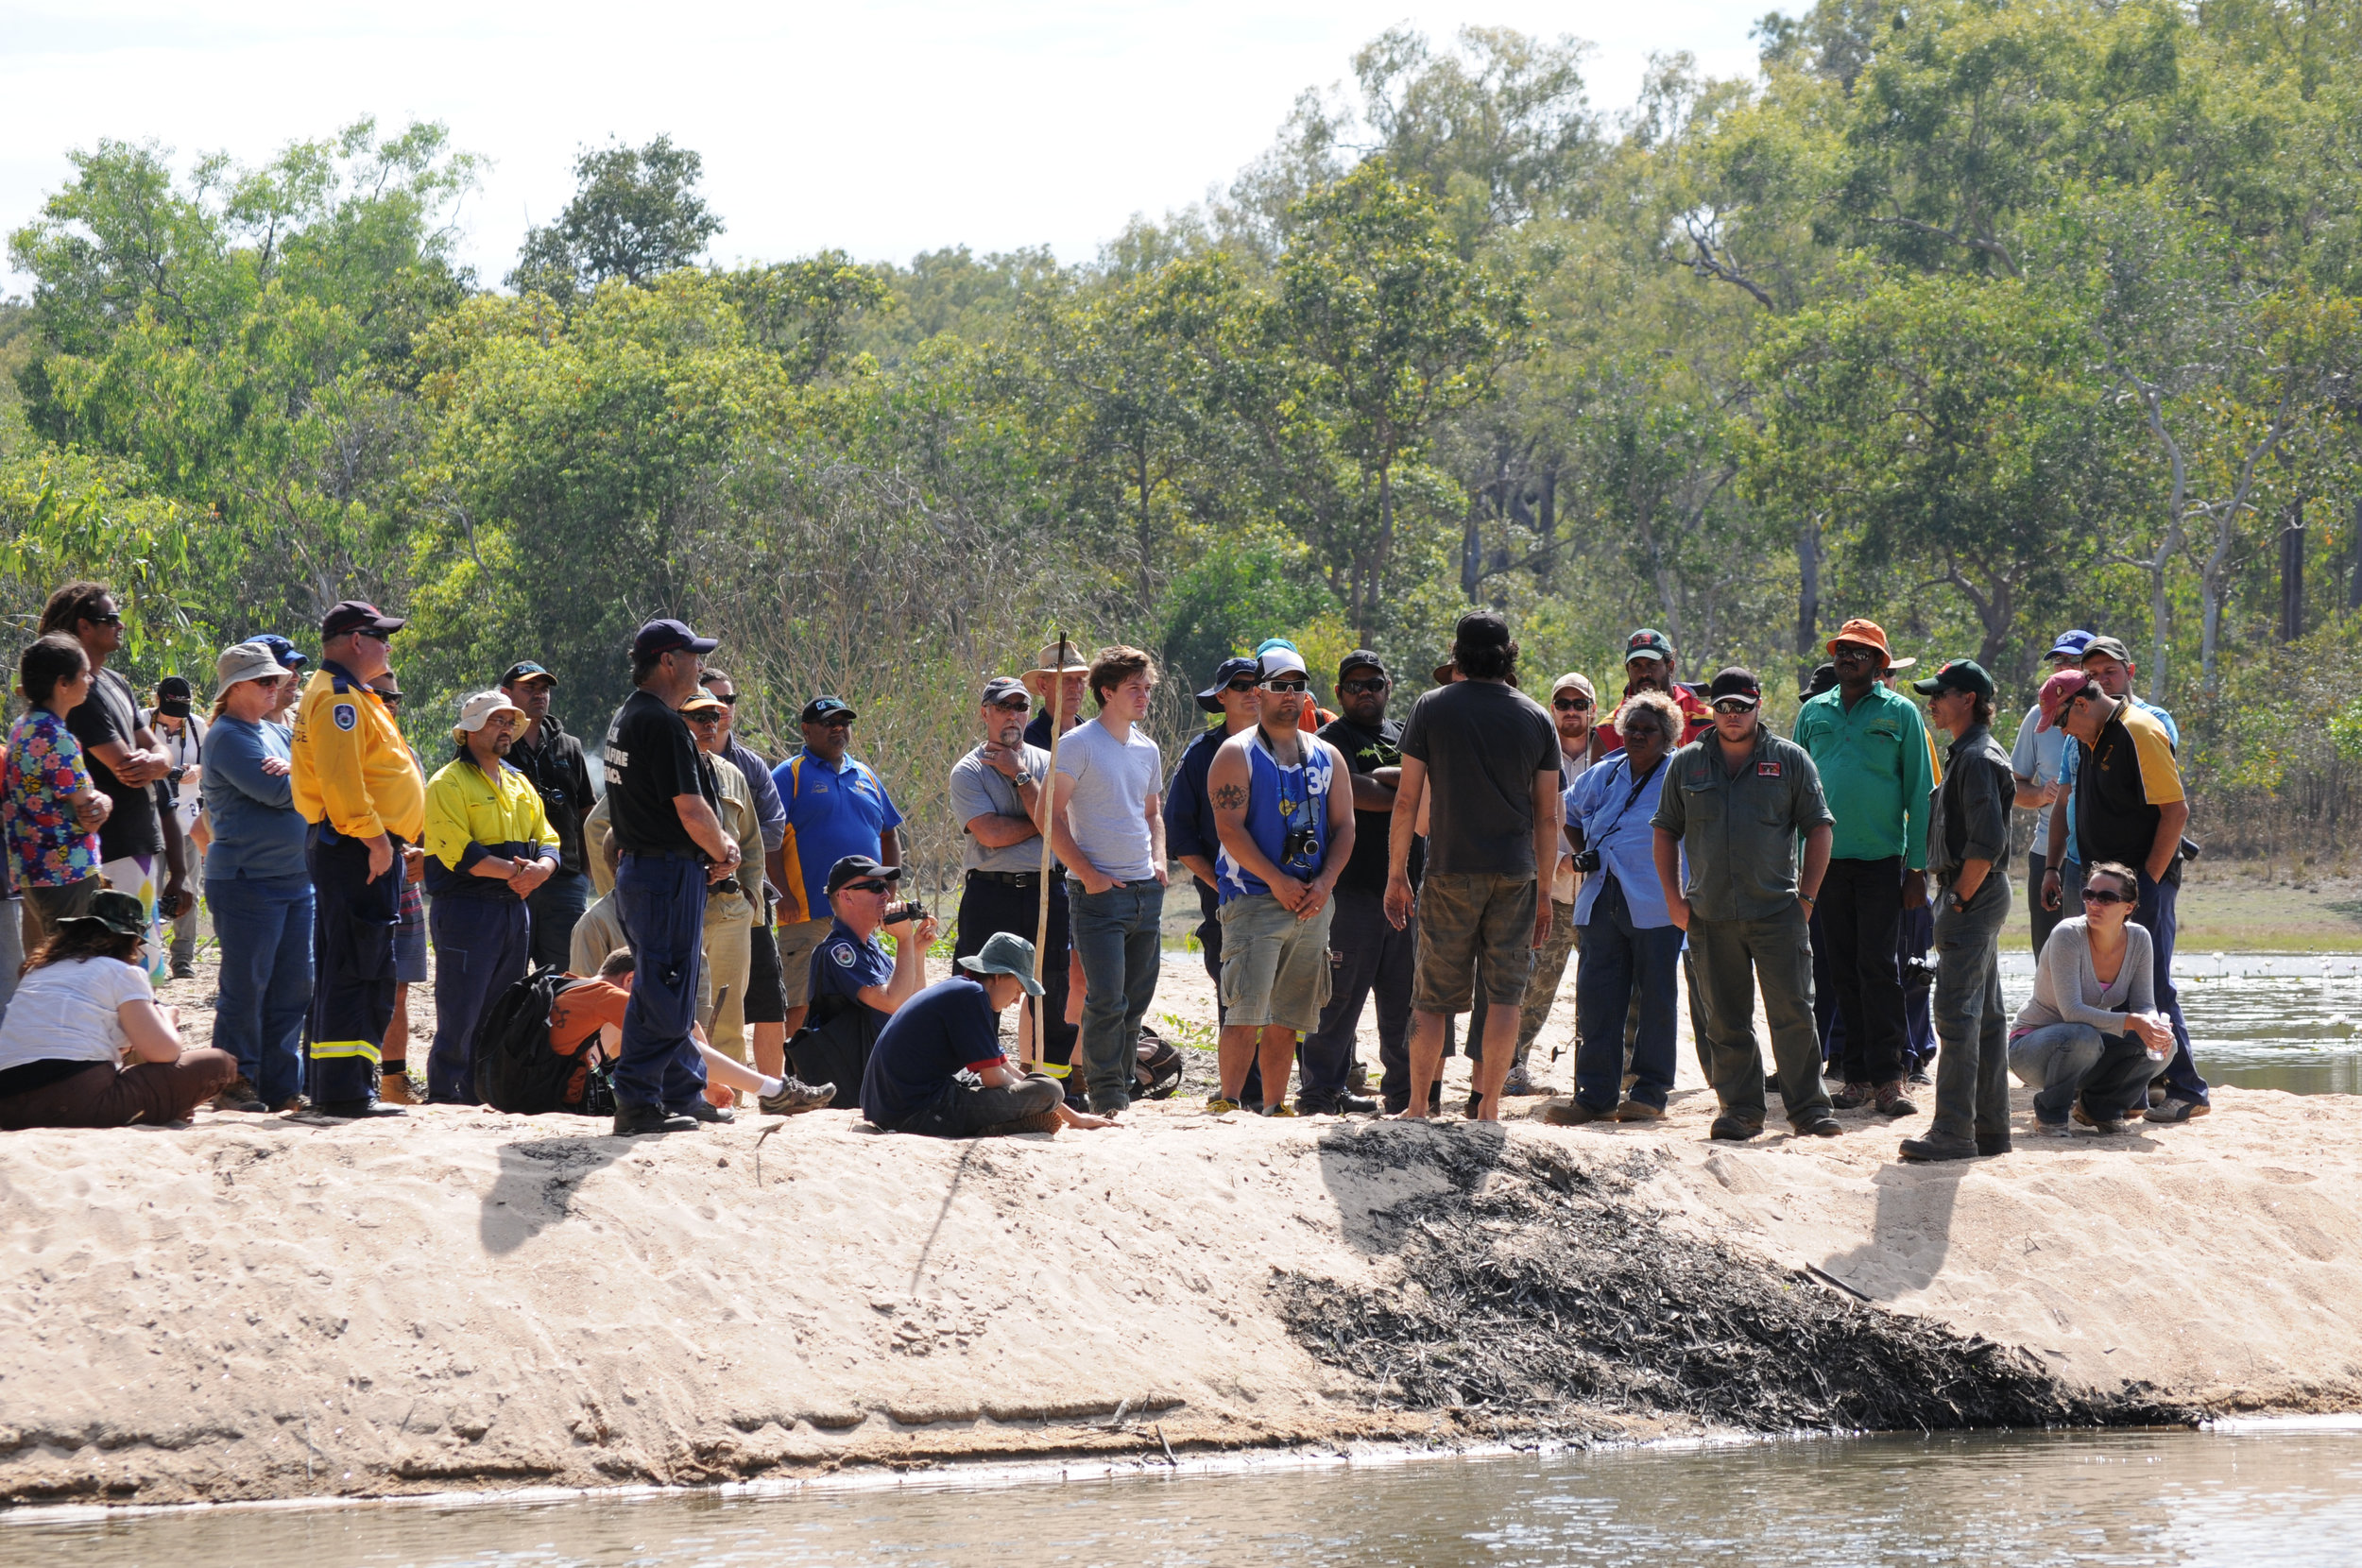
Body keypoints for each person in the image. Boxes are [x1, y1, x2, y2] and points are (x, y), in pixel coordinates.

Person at [1652, 667, 1841, 1142]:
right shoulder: (1686, 764)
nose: (1732, 715)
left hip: (1778, 913)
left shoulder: (1791, 760)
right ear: (1710, 710)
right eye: (1723, 707)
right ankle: (1739, 1110)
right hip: (1709, 916)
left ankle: (1809, 1110)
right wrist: (1674, 900)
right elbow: (1664, 832)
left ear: (1759, 705)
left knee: (1794, 1013)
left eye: (1742, 706)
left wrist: (1807, 899)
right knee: (1724, 1019)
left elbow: (1819, 828)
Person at [1386, 611, 1560, 1122]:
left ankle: (1419, 1107)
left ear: (1457, 655)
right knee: (1505, 994)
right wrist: (1545, 892)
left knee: (1433, 996)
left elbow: (1406, 799)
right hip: (1516, 873)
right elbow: (1547, 815)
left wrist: (1397, 874)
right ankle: (1488, 1111)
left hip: (1448, 868)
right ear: (1509, 654)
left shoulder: (1432, 708)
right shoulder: (1535, 717)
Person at [2037, 667, 2208, 1124]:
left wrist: (2146, 886)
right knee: (2114, 991)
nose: (2060, 730)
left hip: (2137, 889)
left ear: (2082, 704)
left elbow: (2176, 811)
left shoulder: (2139, 730)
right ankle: (2126, 1097)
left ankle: (2189, 1088)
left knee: (2150, 989)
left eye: (2060, 720)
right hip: (2104, 887)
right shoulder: (2088, 739)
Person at [602, 618, 740, 1135]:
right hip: (663, 873)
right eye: (693, 655)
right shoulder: (661, 722)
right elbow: (690, 808)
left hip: (649, 869)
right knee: (663, 987)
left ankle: (684, 1089)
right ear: (667, 661)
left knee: (673, 988)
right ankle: (637, 1100)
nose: (700, 665)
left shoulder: (628, 716)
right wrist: (723, 847)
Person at [289, 600, 423, 1118]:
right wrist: (378, 841)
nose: (388, 645)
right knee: (357, 967)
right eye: (381, 636)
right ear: (354, 641)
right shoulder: (338, 698)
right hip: (356, 848)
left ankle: (342, 1087)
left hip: (359, 845)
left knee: (358, 964)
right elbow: (343, 786)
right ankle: (344, 1093)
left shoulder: (353, 694)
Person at [1793, 619, 1932, 1120]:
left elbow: (1920, 792)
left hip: (1881, 863)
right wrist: (1797, 865)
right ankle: (1853, 1078)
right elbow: (1796, 793)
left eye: (1860, 652)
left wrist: (1916, 869)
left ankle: (1890, 1078)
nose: (1848, 657)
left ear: (1879, 664)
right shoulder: (1813, 712)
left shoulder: (1901, 714)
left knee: (1880, 968)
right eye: (1843, 650)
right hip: (1824, 863)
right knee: (1842, 970)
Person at [1206, 646, 1354, 1116]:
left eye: (1298, 686)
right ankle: (1229, 1101)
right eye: (1278, 687)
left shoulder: (1328, 755)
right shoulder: (1236, 752)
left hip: (1312, 902)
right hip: (1254, 898)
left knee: (1289, 1016)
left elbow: (1346, 826)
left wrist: (1326, 882)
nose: (1289, 696)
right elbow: (1229, 829)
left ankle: (1275, 1104)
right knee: (1246, 1010)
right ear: (1259, 692)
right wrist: (1275, 881)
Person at [1898, 659, 2017, 1162]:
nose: (1933, 702)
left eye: (1941, 693)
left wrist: (1960, 899)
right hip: (1975, 890)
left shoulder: (1974, 757)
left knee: (1955, 1014)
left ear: (1968, 699)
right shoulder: (1969, 752)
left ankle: (1952, 1131)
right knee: (1985, 1015)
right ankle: (1989, 1130)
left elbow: (1985, 843)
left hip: (1973, 891)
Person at [40, 583, 188, 981]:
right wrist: (156, 763)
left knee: (144, 966)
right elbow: (125, 765)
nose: (121, 625)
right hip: (111, 849)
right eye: (110, 619)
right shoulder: (78, 693)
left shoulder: (115, 682)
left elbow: (158, 753)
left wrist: (159, 762)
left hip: (141, 843)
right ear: (84, 627)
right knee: (134, 973)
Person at [1549, 689, 1681, 1125]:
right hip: (1600, 897)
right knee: (1597, 999)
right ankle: (1594, 1096)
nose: (1638, 736)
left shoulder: (1680, 774)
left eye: (1649, 730)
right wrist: (1585, 851)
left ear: (1668, 736)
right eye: (1632, 728)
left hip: (1658, 901)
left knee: (1657, 1000)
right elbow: (1566, 812)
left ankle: (1649, 1093)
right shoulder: (1604, 773)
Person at [420, 690, 558, 1104]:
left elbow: (548, 837)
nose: (507, 729)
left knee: (501, 1011)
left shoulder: (519, 781)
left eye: (510, 722)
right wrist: (521, 874)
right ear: (469, 730)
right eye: (497, 721)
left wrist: (542, 871)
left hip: (514, 910)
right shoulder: (447, 782)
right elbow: (458, 851)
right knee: (460, 1010)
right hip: (467, 911)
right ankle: (445, 1096)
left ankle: (482, 1092)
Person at [0, 890, 236, 1129]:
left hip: (8, 1106)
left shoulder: (38, 971)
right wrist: (166, 1018)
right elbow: (164, 1052)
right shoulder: (122, 972)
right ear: (130, 941)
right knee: (218, 1062)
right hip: (73, 1102)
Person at [1050, 646, 1167, 1118]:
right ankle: (1107, 1096)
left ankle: (1122, 1092)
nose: (1143, 696)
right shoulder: (1078, 744)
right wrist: (1089, 875)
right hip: (1097, 897)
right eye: (1133, 688)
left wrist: (1159, 862)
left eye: (1147, 688)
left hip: (1146, 893)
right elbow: (1049, 817)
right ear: (1107, 692)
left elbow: (1154, 813)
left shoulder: (1147, 748)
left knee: (1135, 1002)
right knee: (1105, 1000)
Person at [1471, 670, 1599, 1096]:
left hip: (1601, 893)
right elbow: (1525, 818)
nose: (1571, 712)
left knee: (1602, 989)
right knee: (1534, 985)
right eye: (1563, 704)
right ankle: (1511, 1068)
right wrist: (1558, 861)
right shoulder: (1535, 755)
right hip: (1551, 892)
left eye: (1579, 705)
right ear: (1551, 709)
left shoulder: (1611, 758)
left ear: (1592, 711)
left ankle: (1599, 1075)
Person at [949, 675, 1078, 1086]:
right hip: (991, 892)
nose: (1013, 716)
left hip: (1047, 889)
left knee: (1054, 991)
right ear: (984, 713)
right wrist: (1042, 822)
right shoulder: (967, 770)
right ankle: (974, 1080)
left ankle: (1053, 1084)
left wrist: (1020, 775)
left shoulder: (1050, 761)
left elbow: (1062, 826)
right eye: (1003, 707)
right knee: (978, 993)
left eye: (1021, 707)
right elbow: (991, 834)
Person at [200, 641, 313, 1115]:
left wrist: (301, 773)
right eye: (266, 680)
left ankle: (281, 1085)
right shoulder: (226, 736)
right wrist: (301, 779)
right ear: (234, 688)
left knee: (293, 986)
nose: (279, 685)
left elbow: (311, 777)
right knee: (246, 987)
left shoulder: (274, 732)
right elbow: (280, 793)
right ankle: (235, 1081)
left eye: (278, 679)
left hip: (295, 881)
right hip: (247, 881)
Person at [860, 932, 1115, 1137]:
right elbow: (994, 1078)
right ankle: (1004, 1123)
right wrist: (1038, 1096)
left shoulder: (964, 989)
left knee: (1044, 1086)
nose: (1017, 1000)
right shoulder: (972, 997)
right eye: (1017, 989)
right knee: (1049, 1088)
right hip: (914, 1112)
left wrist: (1074, 1117)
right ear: (996, 976)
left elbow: (1006, 1068)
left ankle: (1012, 1117)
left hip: (887, 1105)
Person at [1305, 651, 1415, 1114]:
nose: (1365, 692)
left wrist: (1394, 785)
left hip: (1409, 889)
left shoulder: (1406, 736)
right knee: (1338, 997)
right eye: (1354, 686)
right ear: (1340, 693)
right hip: (1352, 890)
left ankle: (1407, 1094)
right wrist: (1408, 793)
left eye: (1373, 683)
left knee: (1404, 1000)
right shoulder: (1330, 739)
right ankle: (1320, 1092)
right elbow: (1354, 793)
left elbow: (1427, 789)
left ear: (1388, 687)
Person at [771, 694, 904, 1041]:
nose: (838, 729)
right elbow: (768, 840)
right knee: (801, 1000)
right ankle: (795, 1075)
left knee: (863, 993)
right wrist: (782, 893)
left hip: (861, 913)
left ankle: (847, 1072)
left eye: (843, 723)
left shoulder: (865, 775)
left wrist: (888, 888)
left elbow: (889, 833)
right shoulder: (789, 775)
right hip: (806, 911)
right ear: (806, 730)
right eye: (829, 723)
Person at [556, 948, 832, 1116]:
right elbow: (677, 1031)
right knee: (662, 1032)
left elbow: (688, 1026)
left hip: (534, 1092)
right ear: (631, 980)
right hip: (562, 1101)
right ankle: (772, 1090)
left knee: (647, 1030)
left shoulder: (568, 985)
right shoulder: (609, 996)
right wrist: (704, 1084)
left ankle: (765, 1090)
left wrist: (704, 1082)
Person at [699, 669, 792, 1081]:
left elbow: (770, 830)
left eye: (728, 701)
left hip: (745, 904)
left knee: (765, 1002)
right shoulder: (669, 760)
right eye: (710, 703)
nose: (720, 712)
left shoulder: (748, 767)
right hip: (690, 904)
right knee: (698, 1003)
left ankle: (766, 1089)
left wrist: (750, 895)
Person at [1164, 655, 1263, 1019]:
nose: (1251, 692)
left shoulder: (1291, 747)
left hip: (1286, 894)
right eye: (1240, 685)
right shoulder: (1200, 754)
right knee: (1236, 1004)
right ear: (1221, 696)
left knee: (1287, 1008)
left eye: (1257, 684)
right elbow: (1179, 835)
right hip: (1226, 899)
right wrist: (1220, 884)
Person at [5, 635, 111, 951]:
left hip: (32, 873)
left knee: (42, 968)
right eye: (83, 674)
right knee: (73, 967)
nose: (90, 679)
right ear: (62, 684)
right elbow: (89, 812)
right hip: (68, 874)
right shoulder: (55, 738)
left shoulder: (22, 727)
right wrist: (104, 801)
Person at [682, 688, 760, 1103]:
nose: (709, 724)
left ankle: (730, 1098)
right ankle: (690, 1094)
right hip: (681, 906)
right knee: (686, 1009)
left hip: (730, 911)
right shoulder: (662, 769)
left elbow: (750, 844)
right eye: (698, 717)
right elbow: (600, 830)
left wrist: (750, 902)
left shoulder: (731, 773)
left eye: (715, 716)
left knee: (729, 1012)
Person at [796, 854, 938, 1080]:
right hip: (855, 1075)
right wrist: (903, 941)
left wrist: (916, 951)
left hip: (880, 1066)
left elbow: (911, 1005)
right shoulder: (838, 951)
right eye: (874, 887)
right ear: (846, 897)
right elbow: (893, 1002)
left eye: (886, 886)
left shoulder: (871, 946)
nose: (886, 894)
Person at [500, 660, 599, 972]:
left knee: (565, 977)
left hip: (564, 884)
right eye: (528, 688)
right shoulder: (490, 744)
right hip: (508, 882)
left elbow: (587, 815)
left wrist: (585, 875)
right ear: (505, 694)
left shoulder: (570, 747)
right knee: (505, 979)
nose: (539, 695)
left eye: (543, 689)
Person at [367, 671, 429, 1105]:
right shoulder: (347, 741)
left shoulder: (404, 749)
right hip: (363, 876)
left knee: (399, 984)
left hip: (403, 880)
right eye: (380, 695)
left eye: (395, 696)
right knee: (356, 979)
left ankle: (393, 1080)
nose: (389, 703)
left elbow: (421, 809)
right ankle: (342, 1075)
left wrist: (422, 851)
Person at [2011, 631, 2091, 955]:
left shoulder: (2118, 718)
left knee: (2094, 964)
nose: (2062, 668)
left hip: (2096, 858)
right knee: (2048, 961)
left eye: (2072, 660)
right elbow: (2015, 788)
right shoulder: (2038, 717)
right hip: (2047, 856)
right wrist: (2043, 794)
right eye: (2058, 661)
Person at [149, 674, 208, 979]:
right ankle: (149, 955)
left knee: (188, 889)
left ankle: (183, 957)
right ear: (157, 702)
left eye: (180, 718)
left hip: (187, 817)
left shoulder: (198, 726)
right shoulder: (141, 723)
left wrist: (196, 770)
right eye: (170, 716)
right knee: (151, 888)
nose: (175, 723)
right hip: (151, 820)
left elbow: (213, 763)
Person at [1600, 628, 1712, 752]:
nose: (1644, 673)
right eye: (1636, 665)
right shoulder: (1607, 729)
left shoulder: (1707, 721)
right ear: (1627, 669)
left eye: (1652, 664)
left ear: (1670, 667)